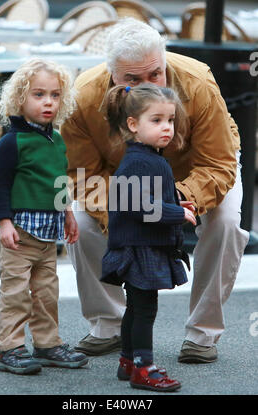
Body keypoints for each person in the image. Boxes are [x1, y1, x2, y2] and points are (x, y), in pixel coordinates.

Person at [61, 17, 249, 361]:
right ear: (112, 74)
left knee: (224, 223)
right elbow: (83, 175)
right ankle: (109, 324)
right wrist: (130, 210)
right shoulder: (83, 97)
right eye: (132, 80)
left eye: (155, 74)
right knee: (82, 222)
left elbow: (218, 163)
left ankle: (202, 334)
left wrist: (173, 202)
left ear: (164, 60)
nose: (148, 87)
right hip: (125, 178)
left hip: (197, 169)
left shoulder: (197, 81)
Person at [0, 58, 88, 375]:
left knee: (46, 293)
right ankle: (10, 348)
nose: (48, 102)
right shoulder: (11, 143)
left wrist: (69, 214)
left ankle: (47, 344)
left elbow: (60, 180)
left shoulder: (56, 139)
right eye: (38, 94)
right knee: (16, 294)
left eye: (55, 95)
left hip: (49, 235)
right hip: (19, 234)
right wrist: (4, 223)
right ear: (20, 98)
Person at [100, 83, 196, 392]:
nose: (166, 127)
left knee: (136, 307)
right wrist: (176, 215)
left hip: (141, 245)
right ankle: (143, 367)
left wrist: (174, 203)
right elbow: (140, 208)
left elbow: (146, 198)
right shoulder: (140, 161)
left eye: (169, 120)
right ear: (133, 124)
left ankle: (128, 362)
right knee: (144, 309)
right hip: (139, 247)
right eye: (156, 120)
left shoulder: (149, 157)